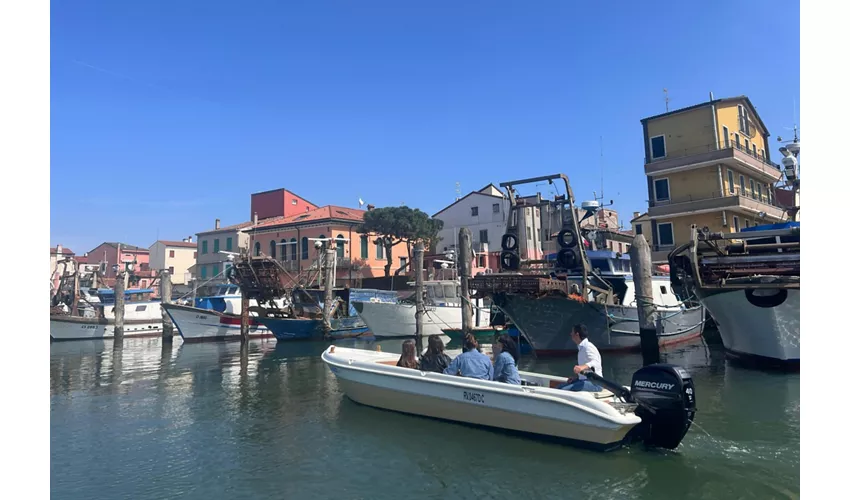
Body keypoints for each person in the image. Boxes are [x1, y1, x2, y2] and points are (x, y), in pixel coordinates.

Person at [557, 324, 603, 392]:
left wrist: (582, 367)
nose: (571, 334)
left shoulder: (588, 347)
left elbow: (596, 362)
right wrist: (576, 378)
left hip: (595, 383)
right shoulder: (581, 348)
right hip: (584, 380)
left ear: (577, 334)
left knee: (563, 391)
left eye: (572, 332)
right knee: (559, 387)